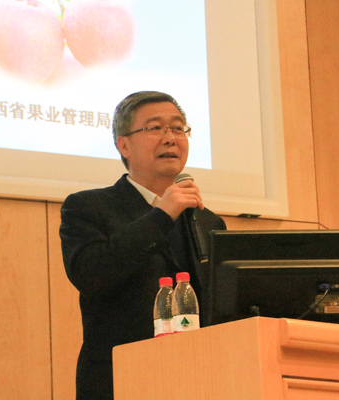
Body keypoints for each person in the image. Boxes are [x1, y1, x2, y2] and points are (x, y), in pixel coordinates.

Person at [59, 91, 226, 400]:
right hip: (121, 378)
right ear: (124, 145)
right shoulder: (88, 207)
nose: (170, 138)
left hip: (197, 377)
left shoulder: (207, 220)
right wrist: (161, 215)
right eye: (155, 128)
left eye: (178, 128)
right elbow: (91, 275)